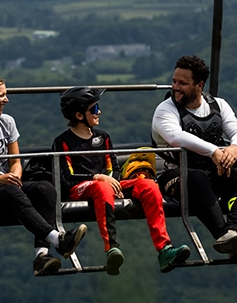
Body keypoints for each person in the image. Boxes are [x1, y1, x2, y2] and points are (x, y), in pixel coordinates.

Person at [0, 73, 87, 276]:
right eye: (1, 95)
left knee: (45, 189)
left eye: (6, 94)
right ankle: (58, 240)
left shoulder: (7, 122)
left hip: (4, 184)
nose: (6, 100)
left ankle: (42, 256)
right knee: (12, 193)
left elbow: (16, 161)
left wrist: (14, 174)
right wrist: (0, 178)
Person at [53, 86, 191, 275]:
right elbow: (66, 178)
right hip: (80, 188)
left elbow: (113, 167)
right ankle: (111, 248)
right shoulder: (63, 143)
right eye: (94, 109)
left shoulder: (103, 138)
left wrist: (114, 181)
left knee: (148, 185)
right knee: (102, 188)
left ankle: (164, 248)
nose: (98, 111)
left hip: (107, 185)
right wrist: (97, 177)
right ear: (79, 115)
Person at [151, 55, 237, 261]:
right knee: (196, 178)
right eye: (174, 81)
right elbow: (176, 137)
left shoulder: (218, 105)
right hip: (172, 176)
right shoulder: (165, 110)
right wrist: (214, 151)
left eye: (183, 83)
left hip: (210, 173)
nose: (175, 87)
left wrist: (233, 149)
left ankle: (233, 232)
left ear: (199, 85)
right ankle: (223, 236)